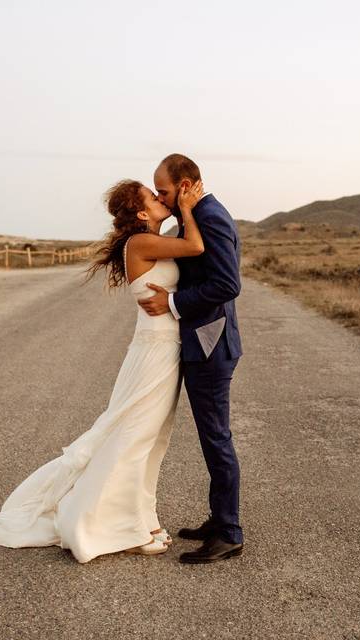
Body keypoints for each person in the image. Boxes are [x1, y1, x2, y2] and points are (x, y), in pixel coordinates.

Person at [0, 177, 205, 563]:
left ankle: (144, 519)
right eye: (153, 197)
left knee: (151, 439)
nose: (159, 198)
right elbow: (196, 246)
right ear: (140, 212)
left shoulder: (150, 239)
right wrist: (186, 208)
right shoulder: (141, 242)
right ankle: (120, 526)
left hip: (163, 347)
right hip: (154, 350)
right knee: (134, 437)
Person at [138, 153, 245, 564]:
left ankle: (230, 532)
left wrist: (173, 303)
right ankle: (219, 520)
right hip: (201, 342)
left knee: (217, 437)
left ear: (184, 185)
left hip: (211, 343)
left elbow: (226, 283)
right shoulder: (192, 214)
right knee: (210, 437)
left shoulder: (212, 217)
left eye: (163, 189)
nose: (161, 197)